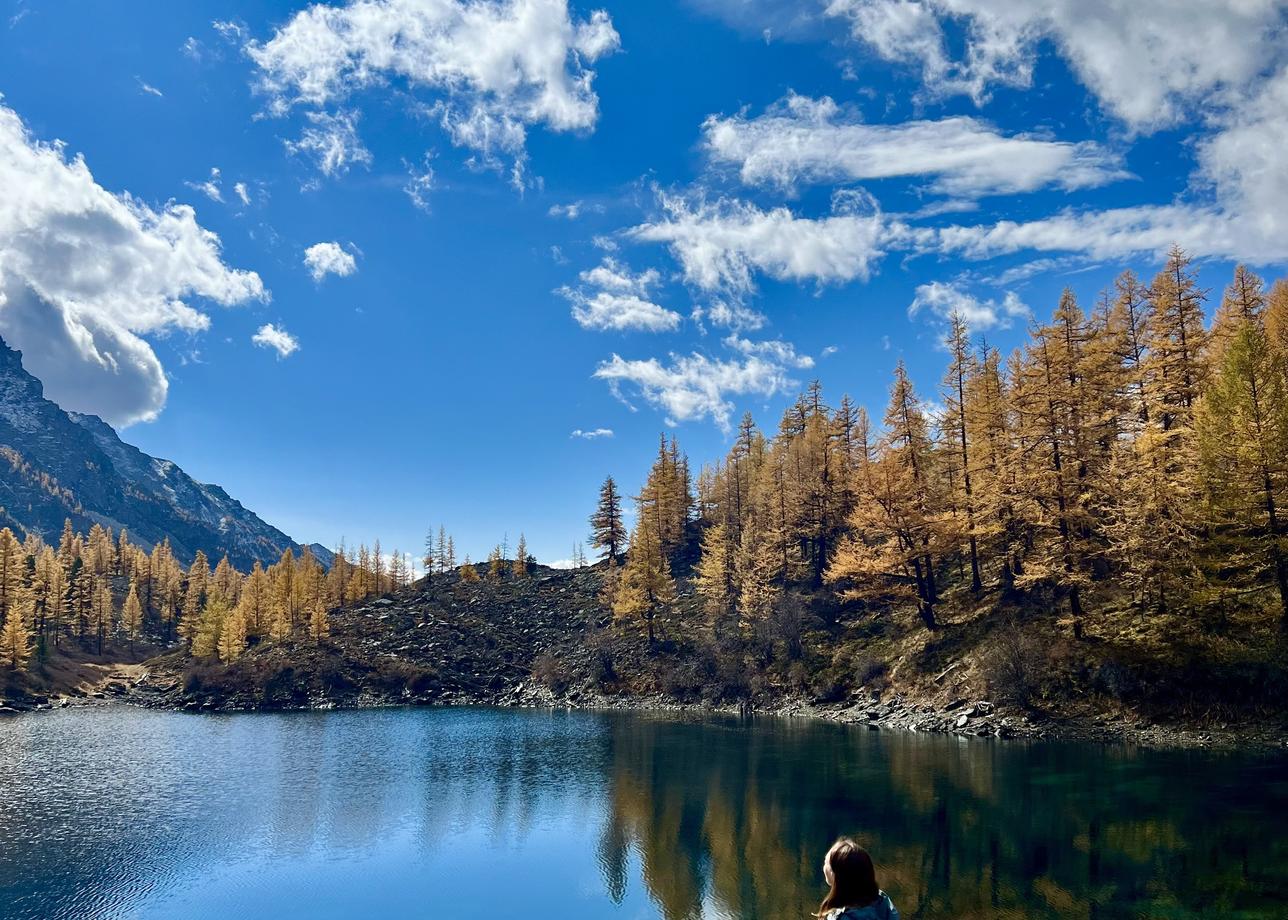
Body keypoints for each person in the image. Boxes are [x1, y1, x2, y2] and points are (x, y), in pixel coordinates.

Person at [816, 837, 899, 920]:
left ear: (835, 874)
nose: (824, 866)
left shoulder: (840, 917)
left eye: (825, 862)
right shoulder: (882, 901)